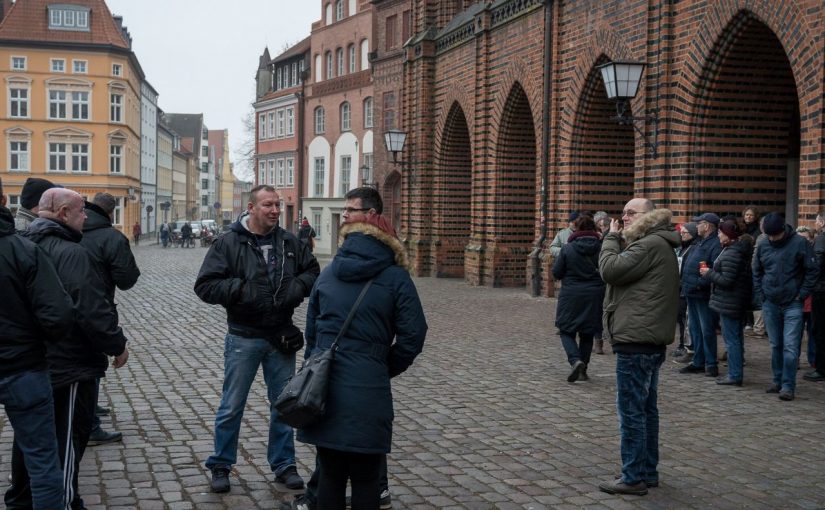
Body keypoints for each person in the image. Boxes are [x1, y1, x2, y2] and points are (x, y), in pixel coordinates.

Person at [296, 187, 427, 509]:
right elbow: (413, 335)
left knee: (330, 476)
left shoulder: (328, 275)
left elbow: (312, 334)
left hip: (324, 388)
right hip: (369, 388)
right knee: (368, 479)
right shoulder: (396, 277)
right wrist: (382, 365)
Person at [7, 188, 129, 510]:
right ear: (63, 214)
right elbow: (90, 309)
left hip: (34, 364)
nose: (86, 217)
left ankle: (22, 499)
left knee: (30, 440)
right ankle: (67, 502)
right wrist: (117, 345)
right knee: (67, 441)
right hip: (71, 364)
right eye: (80, 212)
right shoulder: (73, 254)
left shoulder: (23, 244)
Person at [194, 185, 319, 494]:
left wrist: (296, 288)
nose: (275, 210)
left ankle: (284, 465)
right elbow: (206, 285)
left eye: (277, 204)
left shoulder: (289, 242)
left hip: (280, 336)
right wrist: (240, 290)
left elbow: (313, 271)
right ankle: (221, 464)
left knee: (284, 405)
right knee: (232, 405)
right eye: (268, 205)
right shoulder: (228, 242)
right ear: (251, 208)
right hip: (243, 337)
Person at [0, 178, 73, 510]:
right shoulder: (23, 250)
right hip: (24, 368)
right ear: (3, 200)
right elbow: (57, 315)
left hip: (23, 364)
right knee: (43, 459)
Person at [597, 198, 679, 496]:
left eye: (632, 213)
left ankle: (633, 477)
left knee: (632, 412)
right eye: (624, 212)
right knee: (645, 410)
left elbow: (610, 270)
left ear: (650, 216)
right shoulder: (656, 243)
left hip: (637, 339)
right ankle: (647, 471)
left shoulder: (649, 245)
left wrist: (610, 238)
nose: (625, 217)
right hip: (646, 337)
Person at [81, 193, 141, 446]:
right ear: (109, 213)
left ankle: (90, 410)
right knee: (90, 363)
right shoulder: (112, 237)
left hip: (59, 310)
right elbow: (126, 279)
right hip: (97, 306)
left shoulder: (70, 231)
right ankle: (89, 424)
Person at [753, 212, 819, 401]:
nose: (772, 239)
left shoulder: (799, 243)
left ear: (783, 230)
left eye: (775, 235)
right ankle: (777, 379)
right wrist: (761, 294)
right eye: (769, 235)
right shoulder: (764, 244)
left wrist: (802, 294)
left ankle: (788, 385)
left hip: (793, 302)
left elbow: (812, 270)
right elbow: (756, 270)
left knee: (790, 346)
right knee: (775, 345)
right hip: (771, 301)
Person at [551, 215, 604, 382]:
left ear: (576, 229)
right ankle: (583, 369)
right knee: (587, 333)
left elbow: (557, 272)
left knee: (566, 330)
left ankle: (575, 360)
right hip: (595, 294)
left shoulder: (568, 248)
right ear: (595, 230)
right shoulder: (602, 248)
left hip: (571, 294)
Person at [700, 220, 752, 386]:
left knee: (732, 339)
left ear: (729, 235)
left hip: (730, 301)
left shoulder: (732, 253)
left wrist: (709, 273)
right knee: (734, 338)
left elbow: (727, 280)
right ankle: (734, 373)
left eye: (721, 233)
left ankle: (735, 374)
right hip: (730, 300)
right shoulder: (731, 250)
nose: (719, 235)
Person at [678, 213, 722, 377]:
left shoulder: (715, 244)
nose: (696, 226)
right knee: (695, 329)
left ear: (708, 225)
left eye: (699, 223)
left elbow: (714, 270)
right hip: (691, 291)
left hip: (702, 293)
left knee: (706, 329)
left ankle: (710, 363)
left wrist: (698, 283)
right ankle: (698, 361)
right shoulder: (700, 242)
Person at [804, 210, 825, 382]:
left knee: (819, 330)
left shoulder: (821, 239)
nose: (816, 224)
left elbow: (816, 265)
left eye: (817, 221)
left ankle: (821, 368)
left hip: (821, 291)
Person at [673, 222, 698, 361]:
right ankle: (683, 344)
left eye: (685, 233)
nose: (681, 235)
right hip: (679, 287)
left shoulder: (693, 248)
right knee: (681, 319)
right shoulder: (683, 248)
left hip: (686, 287)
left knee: (686, 320)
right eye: (681, 233)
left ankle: (688, 347)